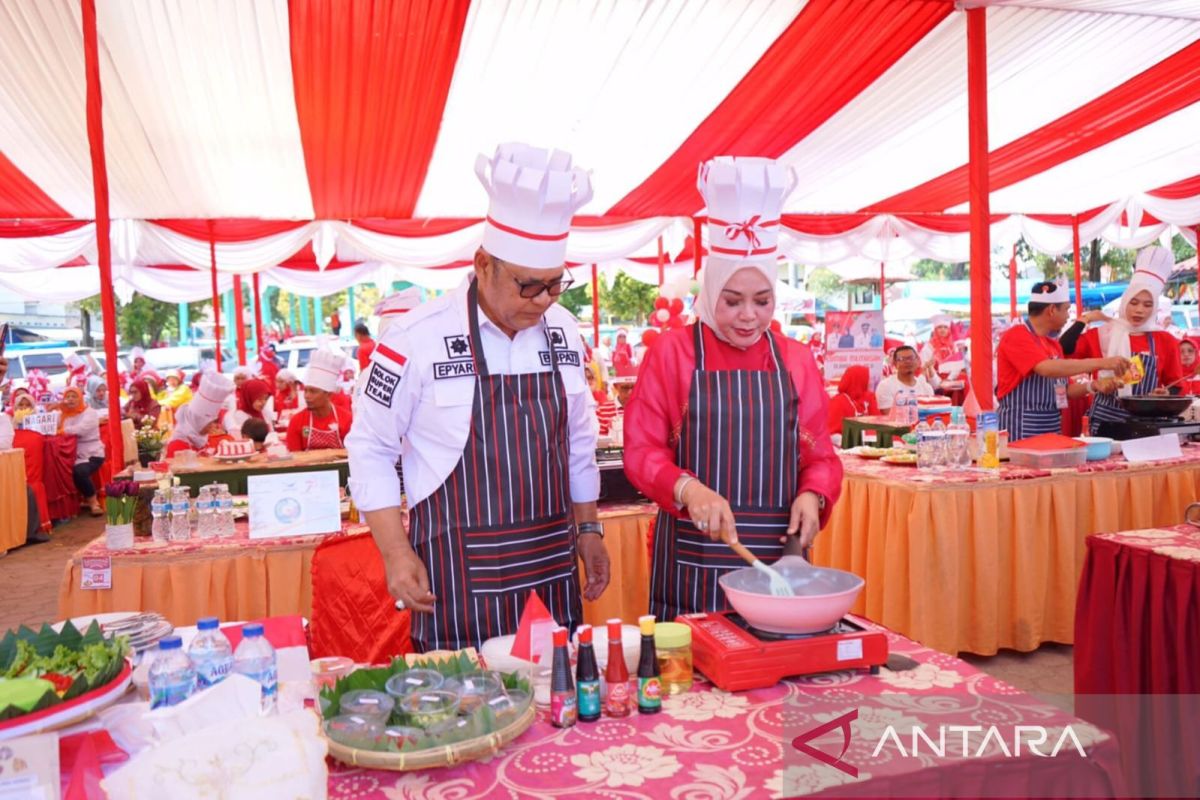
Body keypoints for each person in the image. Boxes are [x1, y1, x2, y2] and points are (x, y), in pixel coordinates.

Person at [347, 141, 609, 652]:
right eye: (529, 286)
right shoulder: (415, 338)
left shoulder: (562, 332)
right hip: (457, 576)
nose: (544, 301)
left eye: (557, 285)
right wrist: (396, 554)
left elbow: (579, 440)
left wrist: (589, 528)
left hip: (550, 567)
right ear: (483, 263)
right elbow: (371, 449)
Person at [623, 156, 842, 622]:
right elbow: (641, 451)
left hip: (779, 557)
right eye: (733, 300)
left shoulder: (796, 359)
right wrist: (687, 488)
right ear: (709, 293)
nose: (749, 316)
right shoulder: (671, 354)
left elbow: (821, 454)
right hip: (692, 560)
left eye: (762, 302)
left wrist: (814, 494)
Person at [1063, 247, 1182, 435]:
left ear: (1155, 308)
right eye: (1134, 303)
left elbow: (1176, 386)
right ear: (1125, 301)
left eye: (1147, 305)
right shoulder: (1102, 334)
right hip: (1105, 420)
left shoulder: (1164, 340)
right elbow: (1064, 349)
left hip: (1146, 421)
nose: (1140, 310)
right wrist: (1085, 319)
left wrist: (1166, 394)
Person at [996, 281, 1128, 440]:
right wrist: (1102, 362)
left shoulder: (1053, 345)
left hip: (1051, 428)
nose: (1068, 316)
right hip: (1020, 430)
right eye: (1066, 309)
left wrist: (1092, 386)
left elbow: (1064, 391)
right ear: (1052, 310)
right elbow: (1045, 368)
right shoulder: (1017, 335)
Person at [286, 350, 353, 451]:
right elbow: (294, 459)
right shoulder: (297, 421)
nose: (307, 396)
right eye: (306, 390)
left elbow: (352, 454)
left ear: (329, 395)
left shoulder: (346, 419)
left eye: (313, 391)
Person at [55, 387, 105, 516]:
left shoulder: (90, 413)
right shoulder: (62, 414)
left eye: (74, 396)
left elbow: (81, 429)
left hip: (92, 453)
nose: (70, 399)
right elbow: (52, 428)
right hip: (68, 453)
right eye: (68, 397)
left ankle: (93, 503)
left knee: (79, 471)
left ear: (80, 398)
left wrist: (63, 431)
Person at [166, 372, 235, 457]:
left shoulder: (201, 439)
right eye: (209, 423)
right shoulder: (178, 444)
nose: (213, 426)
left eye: (213, 422)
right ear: (197, 421)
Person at [875, 346, 939, 412]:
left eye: (911, 358)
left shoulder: (926, 388)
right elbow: (889, 416)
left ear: (918, 361)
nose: (907, 362)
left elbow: (932, 415)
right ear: (895, 364)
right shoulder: (885, 386)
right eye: (901, 359)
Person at [827, 365, 879, 441]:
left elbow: (878, 422)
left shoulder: (869, 397)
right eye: (867, 378)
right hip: (844, 446)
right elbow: (831, 433)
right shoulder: (838, 401)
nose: (869, 381)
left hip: (870, 443)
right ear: (858, 380)